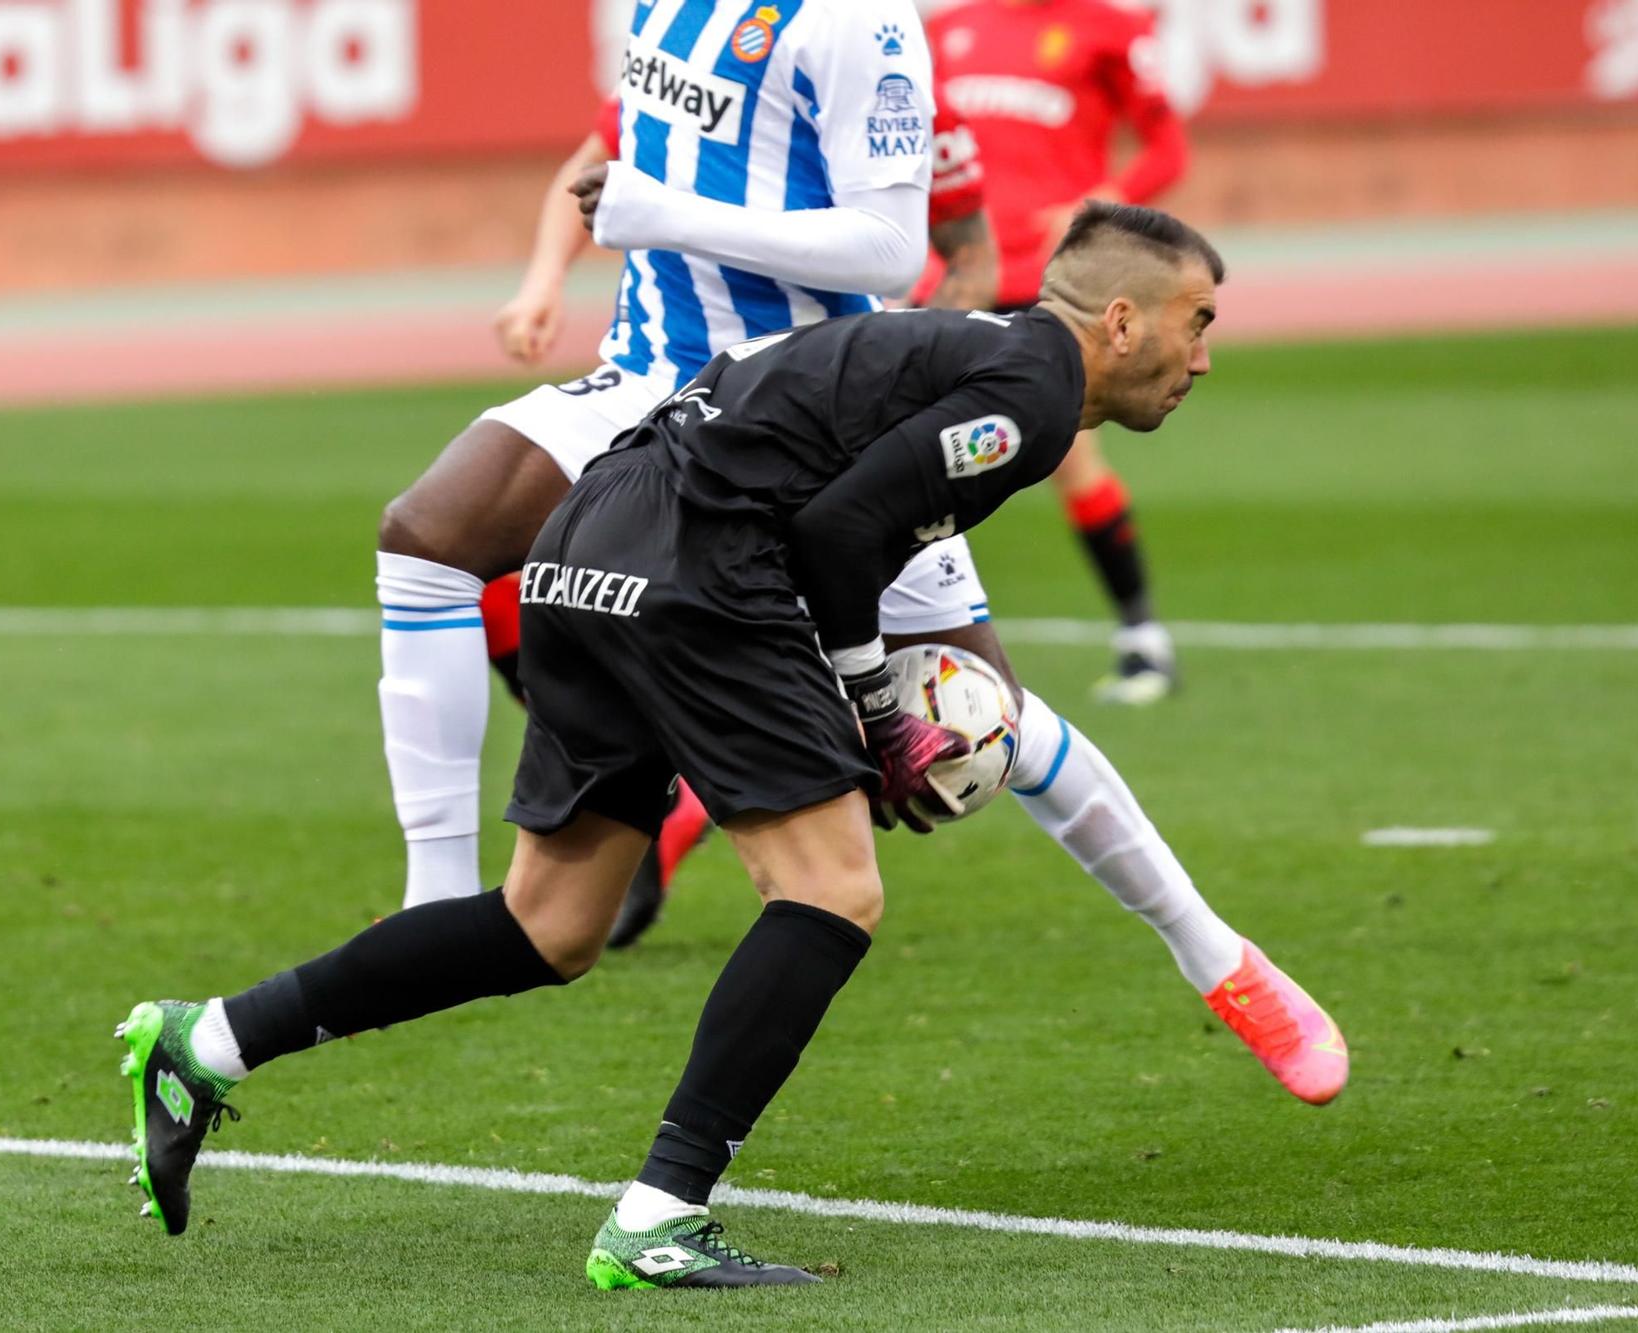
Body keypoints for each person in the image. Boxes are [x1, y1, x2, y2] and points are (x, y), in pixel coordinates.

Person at [116, 205, 1346, 1289]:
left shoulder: (971, 355)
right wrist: (876, 708)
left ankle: (205, 1041)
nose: (1202, 355)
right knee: (832, 890)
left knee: (549, 924)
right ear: (1119, 321)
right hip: (694, 562)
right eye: (1198, 321)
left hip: (589, 534)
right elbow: (838, 533)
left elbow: (831, 512)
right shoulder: (1026, 393)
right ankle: (660, 1214)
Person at [375, 0, 937, 911]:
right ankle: (436, 893)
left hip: (798, 403)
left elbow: (892, 250)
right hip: (646, 375)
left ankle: (1239, 977)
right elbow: (608, 157)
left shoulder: (854, 22)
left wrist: (667, 214)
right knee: (424, 537)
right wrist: (548, 277)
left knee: (1019, 739)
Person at [929, 0, 1193, 704]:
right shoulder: (945, 30)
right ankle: (884, 644)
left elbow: (1168, 149)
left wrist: (1104, 199)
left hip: (1051, 288)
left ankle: (1144, 637)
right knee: (905, 458)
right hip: (951, 282)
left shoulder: (1110, 29)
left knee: (1071, 461)